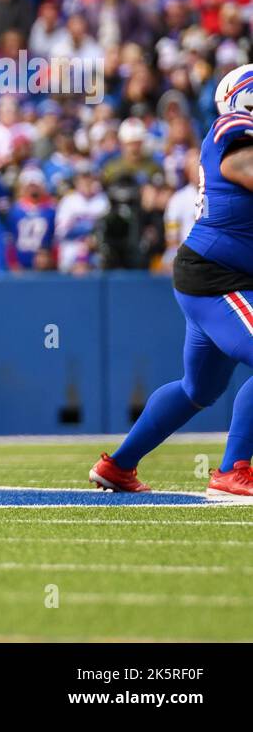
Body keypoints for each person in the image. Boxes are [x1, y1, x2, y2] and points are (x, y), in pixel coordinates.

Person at [93, 65, 253, 496]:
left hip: (213, 274)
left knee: (198, 388)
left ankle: (118, 466)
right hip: (220, 277)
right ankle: (232, 470)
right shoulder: (231, 132)